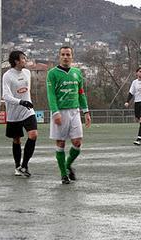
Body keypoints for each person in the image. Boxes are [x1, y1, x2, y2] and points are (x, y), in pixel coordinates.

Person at [46, 46, 91, 184]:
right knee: (60, 143)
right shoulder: (52, 73)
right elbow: (51, 94)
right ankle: (63, 174)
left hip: (75, 111)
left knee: (77, 142)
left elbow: (81, 93)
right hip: (60, 111)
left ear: (72, 57)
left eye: (68, 54)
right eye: (63, 54)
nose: (65, 57)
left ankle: (66, 165)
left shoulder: (77, 72)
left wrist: (86, 111)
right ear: (59, 56)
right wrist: (55, 112)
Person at [2, 50, 38, 177]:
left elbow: (27, 91)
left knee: (33, 135)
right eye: (23, 58)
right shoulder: (7, 75)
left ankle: (24, 165)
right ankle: (17, 166)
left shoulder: (27, 73)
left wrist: (27, 102)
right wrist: (20, 101)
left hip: (27, 111)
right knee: (16, 139)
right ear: (16, 61)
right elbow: (5, 96)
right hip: (13, 113)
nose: (26, 60)